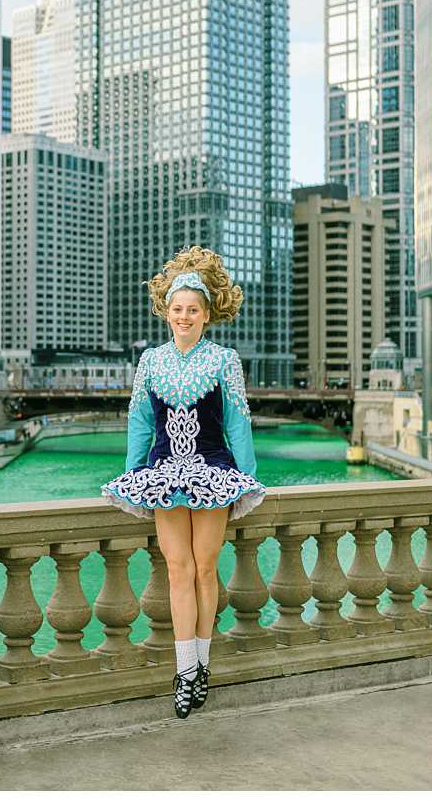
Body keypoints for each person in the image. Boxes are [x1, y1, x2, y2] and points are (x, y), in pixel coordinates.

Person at [101, 247, 267, 718]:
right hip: (163, 472)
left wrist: (248, 476)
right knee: (176, 569)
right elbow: (139, 421)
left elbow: (238, 421)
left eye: (192, 310)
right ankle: (185, 673)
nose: (184, 317)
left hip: (212, 472)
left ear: (208, 313)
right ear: (166, 313)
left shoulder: (224, 360)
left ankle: (204, 665)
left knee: (204, 569)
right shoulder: (150, 362)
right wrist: (134, 470)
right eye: (177, 310)